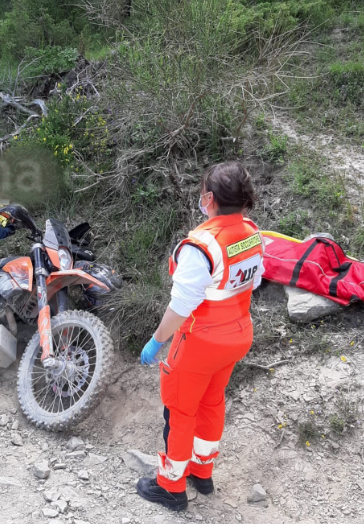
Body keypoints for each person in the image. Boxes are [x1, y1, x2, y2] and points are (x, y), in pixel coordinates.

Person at [137, 162, 265, 512]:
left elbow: (181, 306)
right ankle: (202, 473)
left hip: (200, 342)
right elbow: (252, 282)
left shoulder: (201, 245)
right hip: (237, 336)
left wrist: (157, 339)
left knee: (180, 411)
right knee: (211, 402)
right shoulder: (252, 233)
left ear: (209, 198)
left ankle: (171, 487)